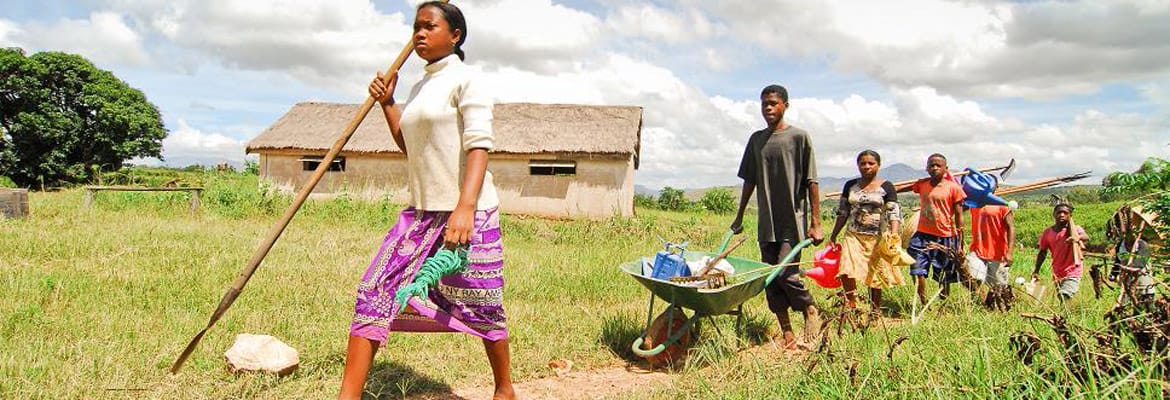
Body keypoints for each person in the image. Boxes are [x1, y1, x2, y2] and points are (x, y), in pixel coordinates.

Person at [339, 3, 514, 399]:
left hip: (468, 212)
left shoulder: (468, 80)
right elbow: (411, 145)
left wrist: (465, 207)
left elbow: (479, 146)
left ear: (454, 35)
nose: (419, 34)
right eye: (415, 27)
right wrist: (388, 103)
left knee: (482, 304)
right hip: (421, 214)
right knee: (374, 290)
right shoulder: (420, 87)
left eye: (428, 26)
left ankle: (504, 389)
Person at [730, 84, 823, 349]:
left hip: (792, 221)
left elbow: (812, 181)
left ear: (785, 105)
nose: (768, 108)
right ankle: (787, 334)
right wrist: (739, 216)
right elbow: (749, 180)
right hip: (766, 222)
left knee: (786, 274)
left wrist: (816, 222)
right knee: (769, 278)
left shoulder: (799, 137)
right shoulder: (756, 139)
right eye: (764, 104)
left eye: (773, 103)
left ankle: (809, 309)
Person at [828, 150, 904, 318]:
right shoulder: (850, 186)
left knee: (875, 275)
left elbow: (894, 213)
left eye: (871, 163)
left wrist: (894, 234)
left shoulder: (886, 186)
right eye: (863, 163)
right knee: (846, 271)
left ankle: (875, 311)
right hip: (853, 235)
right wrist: (833, 235)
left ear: (878, 165)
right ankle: (852, 307)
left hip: (877, 237)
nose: (867, 166)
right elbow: (843, 212)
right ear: (858, 165)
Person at [907, 154, 966, 304]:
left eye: (938, 165)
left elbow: (959, 215)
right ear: (927, 168)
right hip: (922, 235)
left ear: (946, 169)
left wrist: (960, 242)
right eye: (931, 165)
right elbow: (909, 187)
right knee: (917, 269)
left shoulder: (954, 188)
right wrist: (888, 191)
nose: (934, 168)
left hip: (945, 236)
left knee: (944, 272)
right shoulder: (922, 184)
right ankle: (924, 302)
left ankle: (943, 303)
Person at [1032, 203, 1088, 302]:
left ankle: (1066, 315)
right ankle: (1065, 316)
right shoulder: (1048, 232)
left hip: (1073, 270)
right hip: (1057, 271)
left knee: (1064, 295)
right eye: (1059, 212)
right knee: (1061, 297)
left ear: (1070, 216)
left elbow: (1085, 236)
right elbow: (1042, 252)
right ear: (1054, 214)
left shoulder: (1075, 230)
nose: (1062, 215)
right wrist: (1036, 270)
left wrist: (1077, 237)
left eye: (1065, 213)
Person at [969, 202, 1016, 298]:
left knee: (999, 288)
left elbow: (1011, 227)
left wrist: (1010, 252)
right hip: (977, 251)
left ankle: (999, 306)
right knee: (974, 279)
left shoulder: (1003, 206)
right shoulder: (974, 202)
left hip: (997, 254)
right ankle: (978, 303)